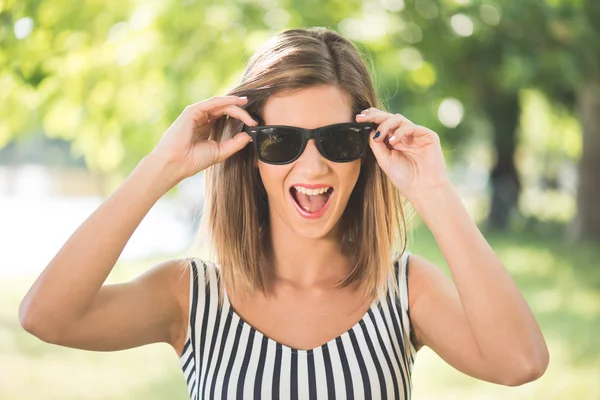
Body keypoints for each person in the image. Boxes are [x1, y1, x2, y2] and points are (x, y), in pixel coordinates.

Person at [18, 27, 549, 399]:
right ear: (250, 151)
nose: (313, 166)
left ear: (366, 149)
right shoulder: (191, 295)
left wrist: (434, 192)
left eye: (339, 140)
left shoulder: (405, 291)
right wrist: (162, 166)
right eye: (282, 141)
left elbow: (520, 363)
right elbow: (46, 317)